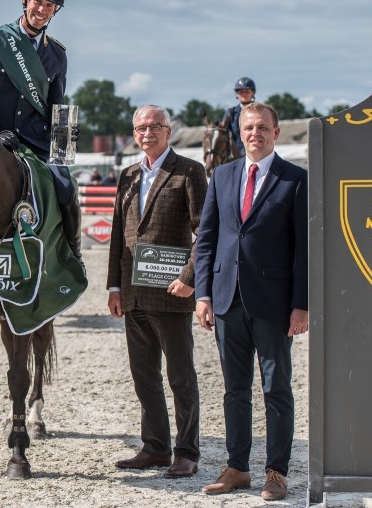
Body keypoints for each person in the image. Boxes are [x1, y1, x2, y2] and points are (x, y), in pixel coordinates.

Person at [194, 101, 308, 501]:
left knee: (277, 388)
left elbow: (303, 249)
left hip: (275, 304)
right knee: (234, 390)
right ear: (239, 132)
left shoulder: (295, 179)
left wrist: (302, 304)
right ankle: (237, 467)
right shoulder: (222, 176)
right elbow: (207, 240)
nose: (254, 133)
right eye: (248, 127)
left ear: (276, 133)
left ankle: (276, 472)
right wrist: (203, 294)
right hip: (227, 300)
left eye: (262, 127)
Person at [107, 104, 208, 479]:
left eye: (155, 126)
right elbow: (119, 235)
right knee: (143, 376)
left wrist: (190, 277)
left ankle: (187, 451)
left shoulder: (189, 172)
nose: (147, 132)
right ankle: (154, 447)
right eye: (141, 127)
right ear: (134, 134)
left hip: (172, 293)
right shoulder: (128, 175)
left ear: (169, 131)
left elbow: (205, 232)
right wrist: (114, 286)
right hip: (132, 295)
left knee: (181, 377)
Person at [0, 0, 82, 259]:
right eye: (37, 2)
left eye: (49, 6)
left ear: (55, 12)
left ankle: (73, 256)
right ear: (25, 0)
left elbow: (58, 107)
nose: (41, 11)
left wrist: (64, 156)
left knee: (67, 190)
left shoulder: (57, 54)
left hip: (37, 142)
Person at [219, 77, 256, 158]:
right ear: (237, 94)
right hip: (237, 155)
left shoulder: (261, 111)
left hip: (257, 153)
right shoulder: (230, 113)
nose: (244, 94)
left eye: (247, 91)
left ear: (253, 92)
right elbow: (223, 134)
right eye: (241, 91)